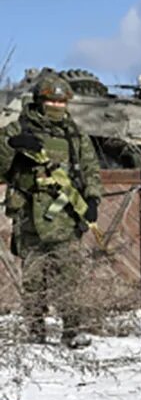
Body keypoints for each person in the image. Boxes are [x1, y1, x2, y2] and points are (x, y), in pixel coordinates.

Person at [1, 73, 101, 347]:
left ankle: (73, 330)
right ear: (39, 101)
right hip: (30, 215)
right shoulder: (18, 128)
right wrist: (13, 145)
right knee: (33, 279)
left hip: (66, 218)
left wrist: (92, 200)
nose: (57, 106)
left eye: (61, 102)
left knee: (70, 275)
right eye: (51, 101)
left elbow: (91, 169)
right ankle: (35, 331)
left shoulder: (75, 135)